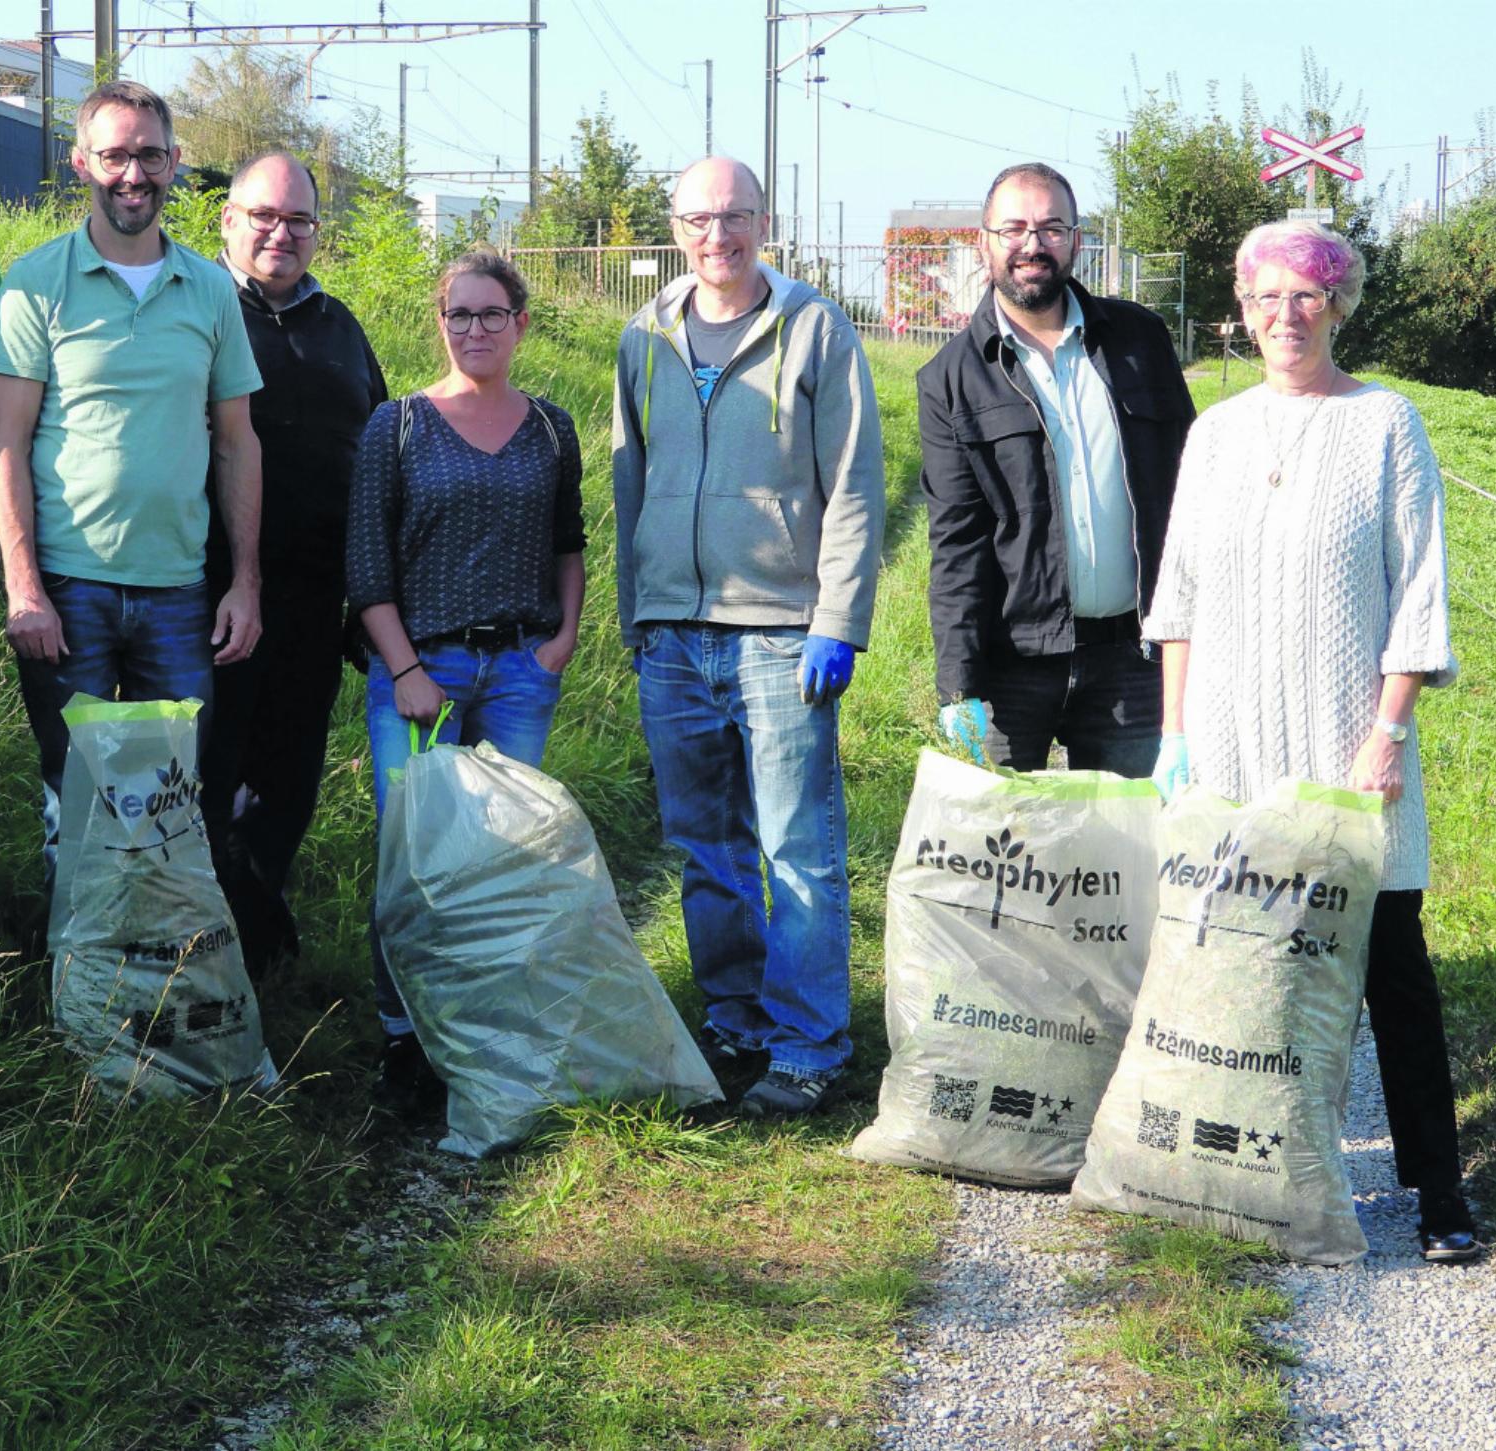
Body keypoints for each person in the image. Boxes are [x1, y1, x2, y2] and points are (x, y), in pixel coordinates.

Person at [1145, 219, 1480, 1264]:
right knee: (1249, 970)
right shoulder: (1217, 435)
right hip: (1234, 751)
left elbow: (1418, 600)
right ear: (1239, 311)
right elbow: (1181, 598)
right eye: (1264, 297)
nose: (1284, 315)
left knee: (1392, 969)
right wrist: (1174, 736)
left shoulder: (1388, 425)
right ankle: (1254, 1177)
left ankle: (1438, 1192)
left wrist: (1387, 737)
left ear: (1339, 305)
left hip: (1352, 760)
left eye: (1306, 295)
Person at [610, 156, 883, 1117]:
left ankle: (811, 1042)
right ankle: (735, 1015)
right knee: (703, 845)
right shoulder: (644, 334)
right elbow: (628, 480)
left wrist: (839, 620)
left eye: (734, 217)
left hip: (781, 636)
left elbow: (853, 483)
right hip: (674, 635)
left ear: (765, 221)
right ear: (674, 229)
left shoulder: (814, 327)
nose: (715, 235)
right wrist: (633, 608)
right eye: (696, 219)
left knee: (796, 845)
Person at [0, 81, 263, 878]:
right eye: (114, 155)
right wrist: (23, 585)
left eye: (149, 155)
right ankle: (80, 982)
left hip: (178, 592)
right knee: (71, 794)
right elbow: (6, 440)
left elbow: (238, 444)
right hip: (68, 593)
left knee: (167, 800)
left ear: (175, 163)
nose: (132, 174)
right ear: (82, 163)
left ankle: (153, 978)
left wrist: (245, 582)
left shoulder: (210, 289)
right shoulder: (37, 283)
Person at [345, 250, 585, 1112]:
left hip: (520, 672)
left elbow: (570, 541)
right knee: (413, 862)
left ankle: (489, 1032)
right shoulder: (399, 425)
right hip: (420, 674)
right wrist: (405, 668)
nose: (475, 330)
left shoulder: (552, 428)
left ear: (521, 324)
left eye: (492, 315)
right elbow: (366, 565)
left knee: (504, 859)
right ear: (439, 323)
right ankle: (405, 1039)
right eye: (460, 315)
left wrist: (561, 641)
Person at [918, 162, 1194, 777]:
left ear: (1075, 239)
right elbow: (956, 542)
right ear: (984, 240)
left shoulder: (1139, 341)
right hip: (1014, 672)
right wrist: (959, 684)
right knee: (1013, 864)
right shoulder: (949, 378)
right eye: (1013, 228)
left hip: (1135, 661)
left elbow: (1189, 495)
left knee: (1131, 859)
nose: (1032, 245)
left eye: (1051, 227)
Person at [203, 150, 388, 968]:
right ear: (228, 220)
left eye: (299, 220)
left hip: (314, 604)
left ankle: (249, 943)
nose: (282, 233)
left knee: (288, 782)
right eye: (264, 216)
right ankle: (221, 950)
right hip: (205, 596)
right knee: (206, 779)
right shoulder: (193, 305)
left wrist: (373, 598)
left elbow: (380, 460)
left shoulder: (341, 328)